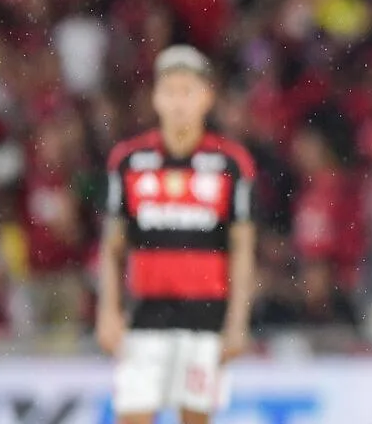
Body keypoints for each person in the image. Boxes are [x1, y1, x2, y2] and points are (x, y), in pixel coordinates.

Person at [97, 45, 256, 424]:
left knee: (196, 418)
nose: (178, 102)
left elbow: (243, 250)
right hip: (145, 315)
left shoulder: (231, 164)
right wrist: (108, 311)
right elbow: (112, 246)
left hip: (206, 319)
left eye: (188, 91)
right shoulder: (129, 161)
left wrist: (237, 322)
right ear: (155, 97)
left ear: (207, 97)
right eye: (170, 91)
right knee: (132, 415)